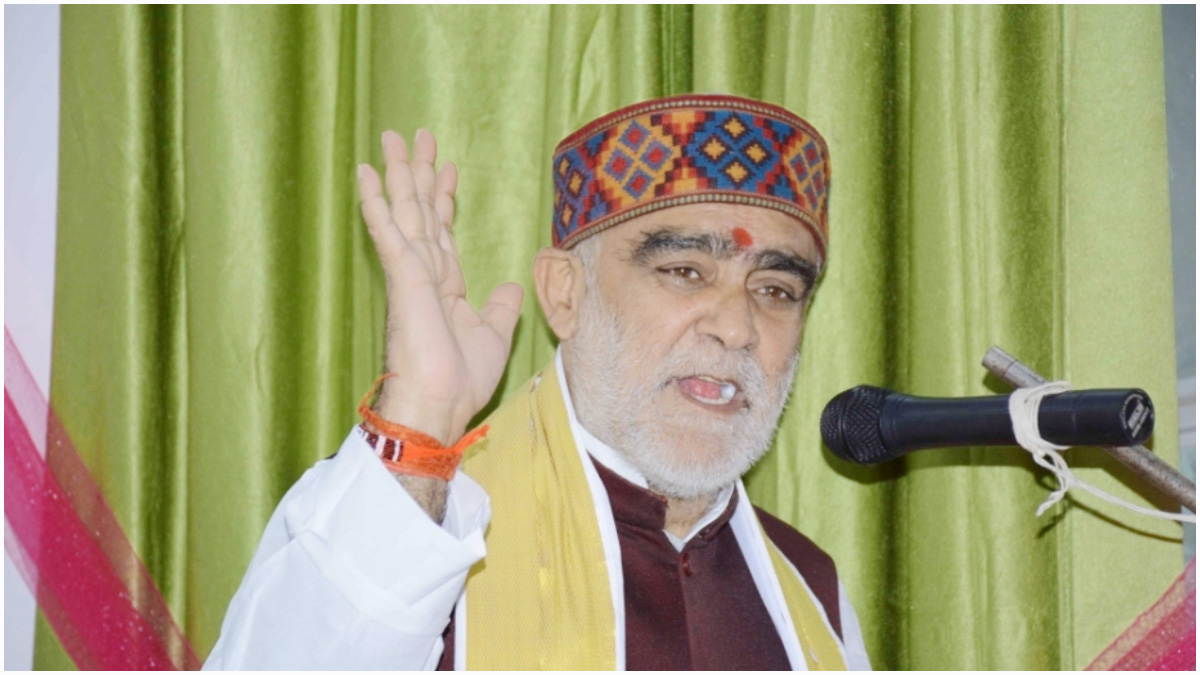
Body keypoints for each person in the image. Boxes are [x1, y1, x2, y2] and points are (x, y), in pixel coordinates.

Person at [204, 94, 871, 671]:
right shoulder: (411, 524)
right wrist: (420, 420)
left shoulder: (812, 592)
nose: (737, 326)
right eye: (685, 271)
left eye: (776, 289)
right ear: (564, 293)